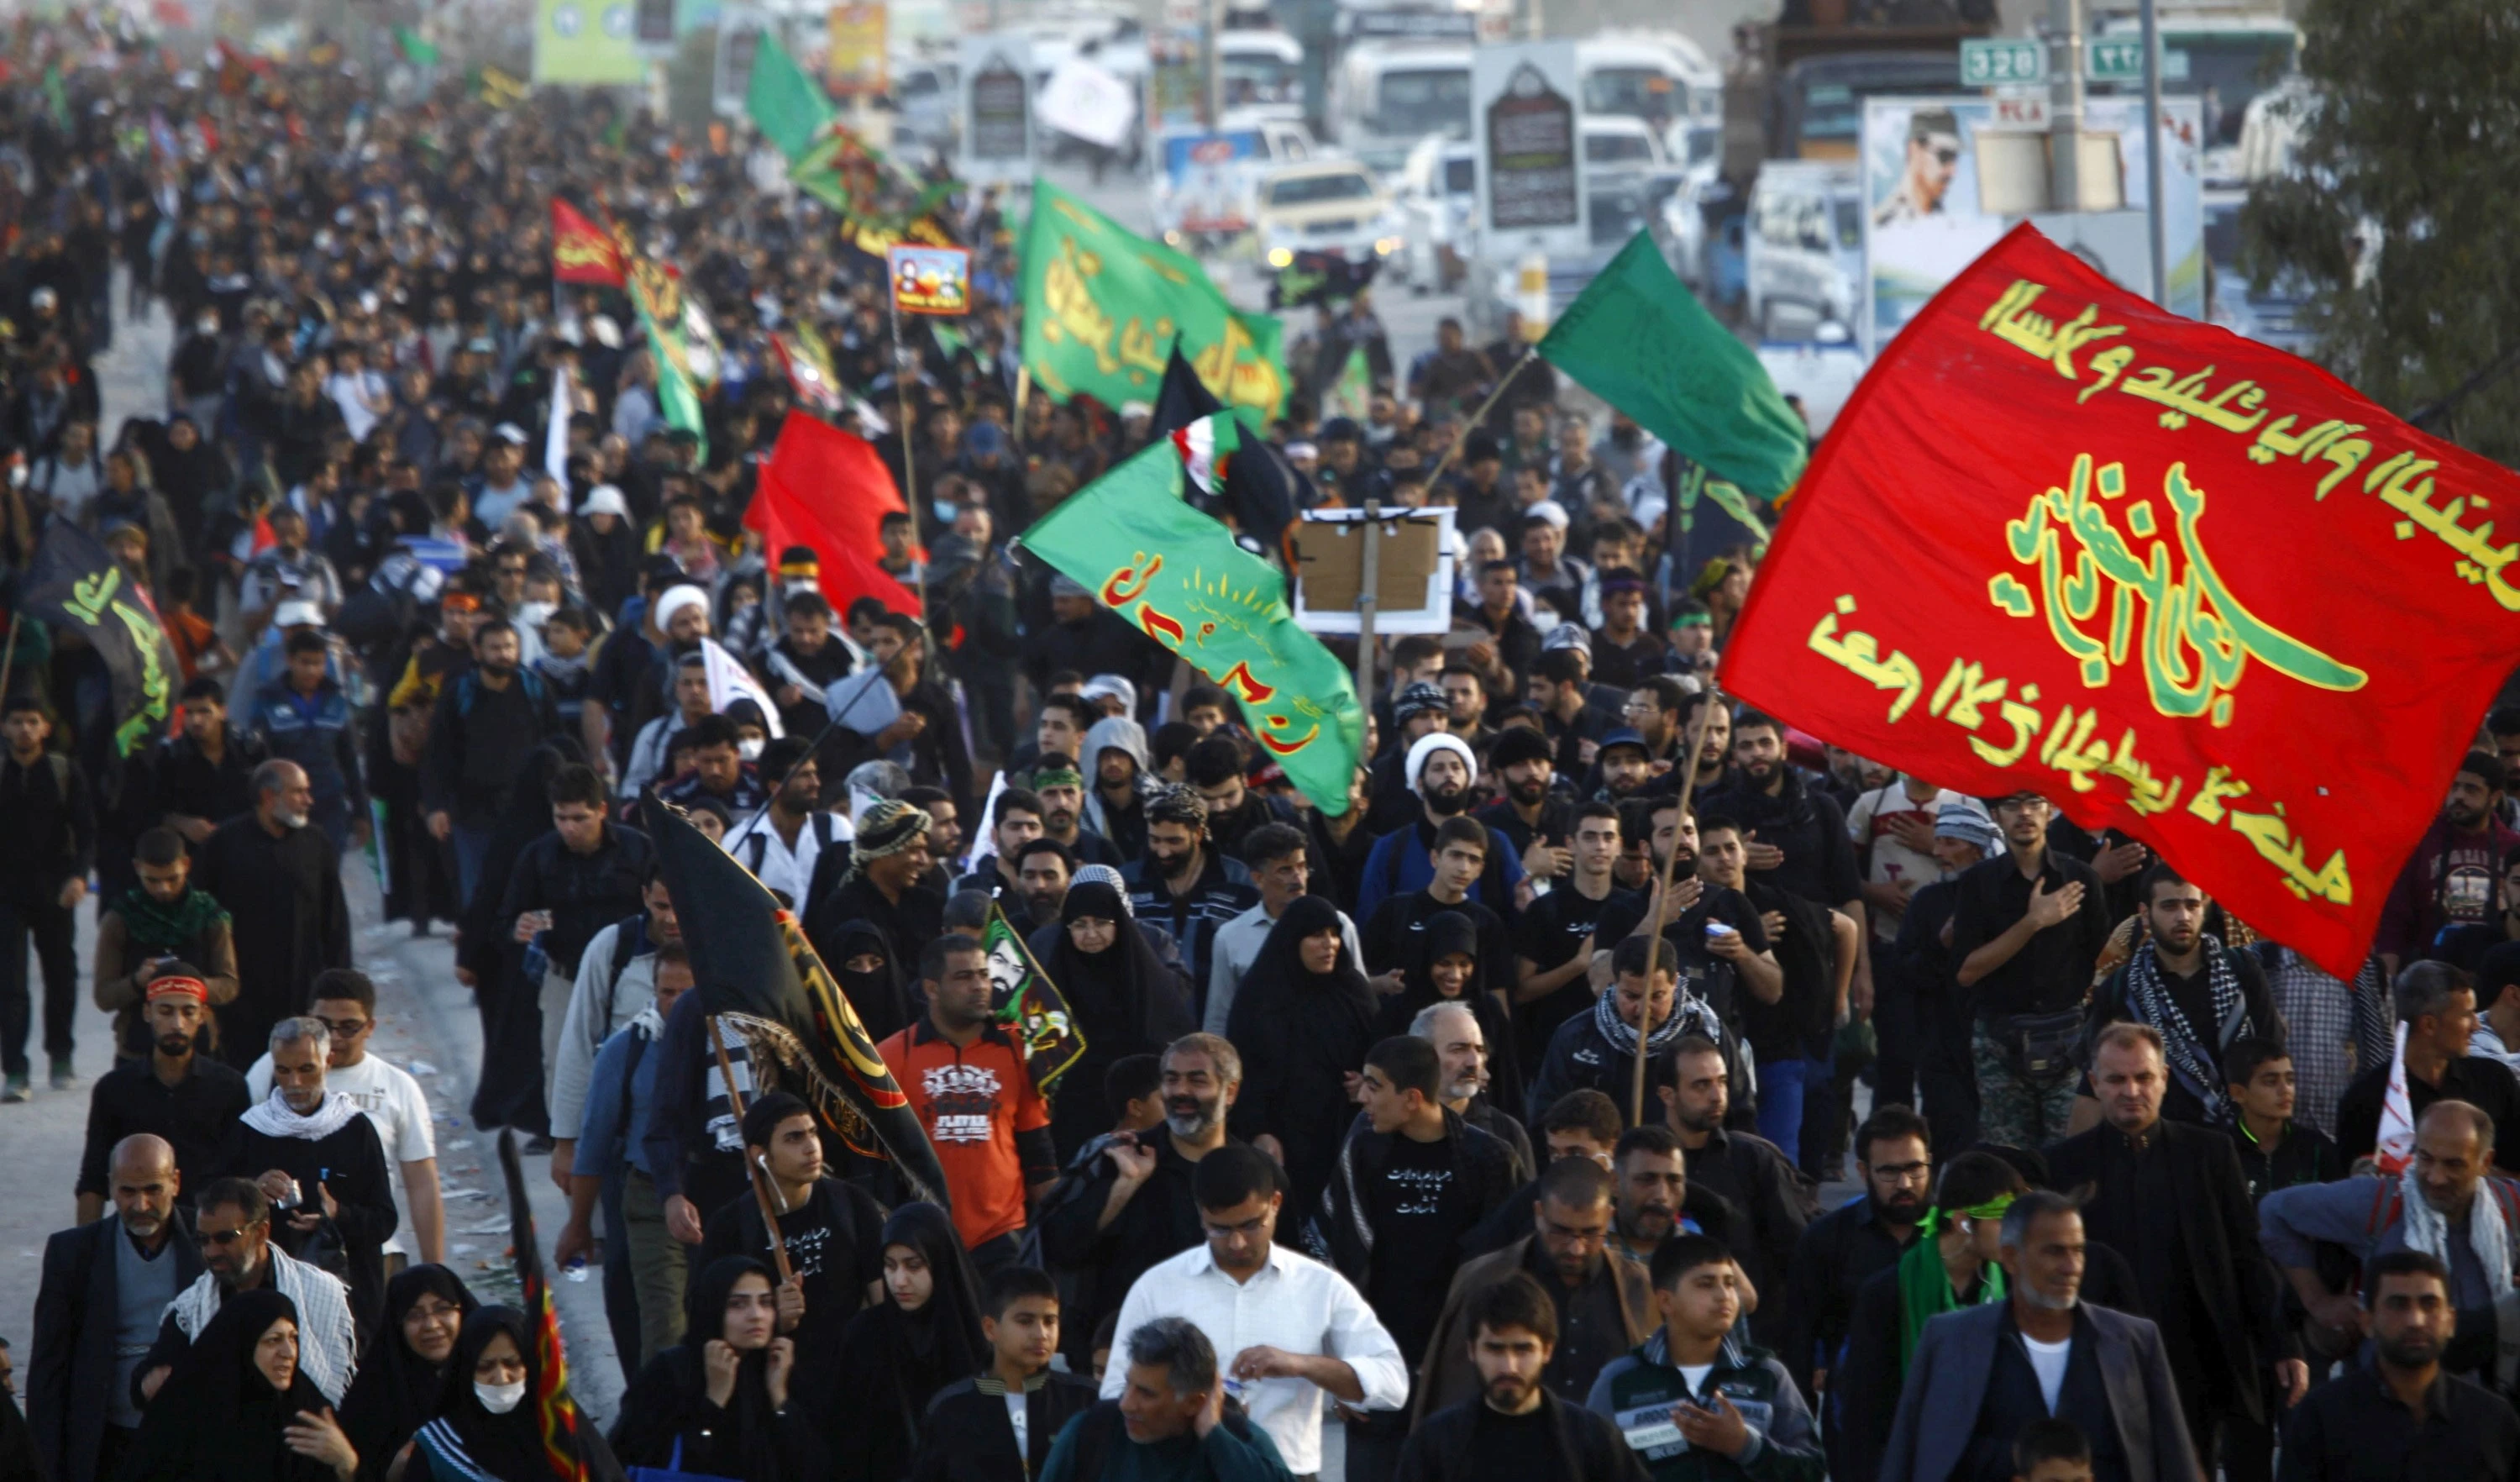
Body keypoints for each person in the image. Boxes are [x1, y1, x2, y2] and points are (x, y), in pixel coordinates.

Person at [2043, 1024, 2302, 1477]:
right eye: (2117, 1080)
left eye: (2143, 1078)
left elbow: (2247, 1255)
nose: (2131, 1091)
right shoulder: (2064, 1166)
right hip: (2101, 1364)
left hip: (2194, 1361)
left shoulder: (2209, 1154)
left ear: (2163, 1079)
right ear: (2095, 1083)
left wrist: (2284, 1344)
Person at [1096, 1143, 1408, 1477]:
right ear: (1200, 1213)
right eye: (1221, 1229)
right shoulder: (1157, 1287)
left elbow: (1392, 1383)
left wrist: (1299, 1364)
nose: (1237, 1243)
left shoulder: (1321, 1287)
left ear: (1275, 1204)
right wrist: (1191, 1414)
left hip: (1285, 1472)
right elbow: (1114, 1394)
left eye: (1250, 1225)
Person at [1308, 1037, 1521, 1482]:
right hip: (1379, 1368)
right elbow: (1336, 1258)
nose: (1362, 1097)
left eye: (1373, 1086)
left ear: (1411, 1099)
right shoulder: (1363, 1150)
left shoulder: (1489, 1158)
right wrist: (1342, 1366)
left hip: (1459, 1370)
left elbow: (1509, 1268)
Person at [1877, 1191, 2198, 1482]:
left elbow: (2174, 1460)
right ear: (2011, 1257)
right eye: (2054, 1252)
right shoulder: (1949, 1341)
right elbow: (1908, 1455)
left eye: (2078, 1251)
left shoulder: (2134, 1343)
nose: (2071, 1266)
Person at [2257, 1101, 2520, 1378]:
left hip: (2484, 1400)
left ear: (2485, 1163)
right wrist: (2317, 1301)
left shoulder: (2509, 1206)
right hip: (2386, 1397)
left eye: (2453, 1165)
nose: (2436, 1177)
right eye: (2426, 1158)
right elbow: (2274, 1211)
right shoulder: (2376, 1203)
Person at [1037, 1034, 1248, 1369]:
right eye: (1171, 1079)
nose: (1181, 1092)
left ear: (1230, 1092)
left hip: (1222, 1359)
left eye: (1197, 1080)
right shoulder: (1121, 1155)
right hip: (1125, 1358)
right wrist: (1124, 1186)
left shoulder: (1253, 1173)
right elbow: (1060, 1246)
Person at [1831, 1153, 2027, 1482]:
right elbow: (1863, 1414)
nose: (2015, 1235)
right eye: (2003, 1220)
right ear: (1964, 1221)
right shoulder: (1888, 1292)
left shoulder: (2011, 1286)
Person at [1416, 1156, 1655, 1421]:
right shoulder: (1483, 1280)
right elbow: (1452, 1393)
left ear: (1609, 1217)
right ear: (1539, 1214)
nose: (1576, 1248)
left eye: (1590, 1233)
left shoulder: (1641, 1290)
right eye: (1561, 1232)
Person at [696, 1090, 888, 1411]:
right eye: (793, 1138)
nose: (811, 1147)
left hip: (850, 1389)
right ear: (760, 1154)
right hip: (767, 1394)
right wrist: (771, 1319)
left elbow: (884, 1301)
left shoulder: (852, 1205)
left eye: (812, 1133)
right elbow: (705, 1320)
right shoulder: (729, 1226)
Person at [33, 1134, 207, 1482]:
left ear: (176, 1182)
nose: (141, 1205)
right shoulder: (73, 1254)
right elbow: (48, 1370)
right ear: (111, 1188)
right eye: (128, 1191)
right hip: (106, 1442)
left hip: (191, 1439)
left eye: (153, 1189)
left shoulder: (208, 1243)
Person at [499, 766, 657, 1148]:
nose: (569, 828)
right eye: (561, 818)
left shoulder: (638, 850)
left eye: (579, 818)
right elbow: (508, 916)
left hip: (630, 975)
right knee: (562, 1062)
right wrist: (519, 928)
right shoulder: (538, 857)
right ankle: (566, 1142)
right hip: (564, 976)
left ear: (602, 810)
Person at [879, 933, 1058, 1267]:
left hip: (1004, 1234)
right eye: (964, 977)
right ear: (932, 988)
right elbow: (878, 1158)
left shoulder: (1019, 1050)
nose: (979, 986)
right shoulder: (891, 1056)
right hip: (925, 1235)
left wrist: (1057, 1230)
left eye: (984, 975)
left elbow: (1039, 1153)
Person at [1584, 1235, 1824, 1482]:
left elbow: (1813, 1471)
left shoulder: (1767, 1374)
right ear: (1666, 1301)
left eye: (1729, 1283)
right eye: (1706, 1284)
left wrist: (1744, 1445)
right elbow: (1589, 1468)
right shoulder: (1620, 1380)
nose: (1724, 1296)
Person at [245, 971, 443, 1269]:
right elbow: (241, 1151)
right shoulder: (268, 1071)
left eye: (349, 1027)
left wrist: (435, 1272)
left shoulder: (396, 1086)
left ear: (370, 1027)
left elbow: (421, 1183)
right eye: (324, 1025)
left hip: (371, 1252)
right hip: (280, 1254)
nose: (334, 1037)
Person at [1949, 792, 2113, 1150]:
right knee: (2007, 1164)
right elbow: (1966, 971)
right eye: (2012, 806)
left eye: (2034, 803)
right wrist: (2033, 922)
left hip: (2068, 1040)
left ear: (2051, 810)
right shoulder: (1979, 882)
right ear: (1996, 815)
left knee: (2070, 1157)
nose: (2024, 814)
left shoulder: (2079, 878)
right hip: (1999, 1042)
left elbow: (2104, 962)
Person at [2274, 1250, 2520, 1481]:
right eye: (2398, 1305)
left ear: (2451, 1322)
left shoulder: (2492, 1421)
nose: (2415, 1320)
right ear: (2367, 1321)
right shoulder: (2321, 1417)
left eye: (2429, 1304)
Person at [228, 1016, 400, 1328]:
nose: (294, 1083)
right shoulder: (253, 1129)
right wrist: (252, 1189)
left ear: (328, 1061)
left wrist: (337, 1215)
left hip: (347, 1304)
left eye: (306, 1069)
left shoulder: (354, 1128)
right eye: (284, 1070)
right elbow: (212, 1202)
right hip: (271, 1299)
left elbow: (384, 1219)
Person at [1398, 1270, 1650, 1482]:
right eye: (1495, 1349)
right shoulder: (1434, 1443)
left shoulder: (1593, 1439)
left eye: (1523, 1349)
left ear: (1547, 1350)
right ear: (1472, 1350)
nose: (1509, 1366)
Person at [2080, 867, 2283, 1127]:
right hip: (2157, 1140)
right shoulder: (2123, 986)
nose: (2183, 917)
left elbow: (2271, 1053)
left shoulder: (2241, 970)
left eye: (2192, 905)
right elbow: (2094, 1078)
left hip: (2241, 1134)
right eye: (2169, 906)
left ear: (2204, 906)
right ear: (2145, 914)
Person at [138, 1177, 359, 1410]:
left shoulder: (322, 1292)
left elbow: (343, 1391)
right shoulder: (191, 1308)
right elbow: (146, 1380)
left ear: (261, 1232)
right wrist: (152, 1383)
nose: (211, 1251)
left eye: (225, 1238)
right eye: (203, 1240)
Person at [1226, 895, 1386, 1216]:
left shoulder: (1353, 989)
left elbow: (1381, 1050)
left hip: (1347, 1130)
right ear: (1293, 940)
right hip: (1285, 1138)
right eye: (1316, 935)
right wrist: (1260, 1130)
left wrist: (1368, 1081)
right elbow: (1245, 1070)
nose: (1330, 944)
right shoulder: (1260, 995)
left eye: (1334, 934)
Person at [611, 1257, 829, 1482]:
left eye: (766, 1302)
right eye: (737, 1304)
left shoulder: (779, 1365)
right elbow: (634, 1462)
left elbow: (809, 1468)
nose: (756, 1315)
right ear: (712, 1307)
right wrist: (714, 1402)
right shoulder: (672, 1373)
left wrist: (780, 1400)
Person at [192, 761, 351, 1070]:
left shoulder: (315, 843)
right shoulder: (224, 844)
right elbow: (199, 917)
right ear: (269, 796)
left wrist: (340, 987)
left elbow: (334, 922)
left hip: (301, 991)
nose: (309, 800)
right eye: (299, 792)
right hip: (241, 997)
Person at [1029, 880, 1198, 1162]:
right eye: (1080, 925)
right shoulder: (1056, 974)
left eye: (1101, 923)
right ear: (1067, 928)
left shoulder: (1144, 976)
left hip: (1139, 1105)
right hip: (1075, 1107)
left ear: (1118, 924)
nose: (1091, 934)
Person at [118, 1288, 360, 1482]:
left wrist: (346, 1464)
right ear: (242, 1348)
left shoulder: (308, 1417)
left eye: (293, 1339)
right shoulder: (188, 1421)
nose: (288, 1353)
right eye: (273, 1340)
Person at [1777, 1104, 1931, 1406]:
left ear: (1929, 1162)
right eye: (1889, 1172)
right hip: (1855, 1412)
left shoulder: (1951, 1235)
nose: (1905, 1184)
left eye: (1915, 1169)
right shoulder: (1827, 1239)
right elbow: (1799, 1340)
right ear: (1863, 1172)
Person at [829, 1206, 990, 1482]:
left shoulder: (976, 1332)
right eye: (889, 1266)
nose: (899, 1281)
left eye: (914, 1265)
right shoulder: (865, 1336)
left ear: (940, 1261)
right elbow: (847, 1439)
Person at [76, 967, 249, 1217]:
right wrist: (86, 1250)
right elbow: (93, 1180)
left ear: (202, 1015)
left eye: (188, 1011)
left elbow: (242, 1177)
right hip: (138, 1222)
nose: (177, 1024)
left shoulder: (230, 1088)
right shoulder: (114, 1089)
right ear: (148, 1012)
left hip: (206, 1232)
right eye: (165, 1011)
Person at [1039, 1316, 1298, 1482]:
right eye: (1128, 1385)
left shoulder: (1238, 1439)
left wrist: (1212, 1433)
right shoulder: (1091, 1432)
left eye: (1146, 1393)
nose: (1126, 1404)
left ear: (1194, 1403)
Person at [911, 1265, 1100, 1482]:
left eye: (1050, 1321)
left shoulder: (1084, 1400)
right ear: (990, 1328)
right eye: (1025, 1321)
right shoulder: (951, 1409)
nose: (1041, 1334)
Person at [549, 870, 680, 1182]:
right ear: (646, 896)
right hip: (620, 1134)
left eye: (682, 907)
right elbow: (578, 1043)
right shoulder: (613, 946)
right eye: (662, 907)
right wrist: (565, 1143)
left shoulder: (718, 952)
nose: (672, 919)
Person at [423, 618, 564, 906]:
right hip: (473, 813)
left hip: (529, 809)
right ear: (478, 652)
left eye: (509, 647)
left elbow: (556, 745)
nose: (503, 654)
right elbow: (438, 753)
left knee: (530, 893)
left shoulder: (535, 689)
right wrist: (436, 806)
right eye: (495, 648)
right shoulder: (459, 694)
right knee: (480, 895)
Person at [408, 1305, 625, 1482]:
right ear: (465, 1372)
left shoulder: (561, 1431)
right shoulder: (440, 1445)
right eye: (485, 1367)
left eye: (512, 1364)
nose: (501, 1377)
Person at [2335, 962, 2520, 1170]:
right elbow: (2355, 1189)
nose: (2476, 1025)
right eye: (2467, 1015)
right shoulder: (2365, 1101)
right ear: (2429, 1025)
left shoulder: (2495, 1081)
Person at [0, 695, 95, 1099]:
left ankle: (61, 1055)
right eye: (16, 721)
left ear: (45, 729)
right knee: (11, 983)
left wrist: (79, 878)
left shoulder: (63, 771)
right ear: (5, 727)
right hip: (6, 893)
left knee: (60, 977)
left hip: (57, 892)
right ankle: (15, 1070)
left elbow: (87, 831)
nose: (24, 729)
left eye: (31, 721)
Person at [92, 828, 240, 1062]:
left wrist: (188, 983)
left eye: (172, 879)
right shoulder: (121, 918)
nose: (163, 889)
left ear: (186, 865)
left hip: (199, 1047)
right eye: (152, 880)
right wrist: (137, 981)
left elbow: (229, 984)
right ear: (137, 867)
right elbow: (104, 996)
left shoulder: (208, 914)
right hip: (137, 1049)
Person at [1512, 801, 1637, 1074]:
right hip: (1555, 1053)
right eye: (1590, 837)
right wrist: (1578, 965)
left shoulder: (1633, 909)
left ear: (1619, 845)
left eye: (1608, 837)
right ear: (1571, 843)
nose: (1600, 846)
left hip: (1621, 1050)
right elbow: (1521, 991)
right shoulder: (1545, 909)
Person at [1204, 824, 1362, 1036]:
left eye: (1302, 867)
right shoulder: (1230, 937)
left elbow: (1360, 999)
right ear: (1258, 878)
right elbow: (1219, 1016)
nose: (1298, 879)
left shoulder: (1338, 926)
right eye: (1285, 870)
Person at [801, 799, 941, 1041]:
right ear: (884, 852)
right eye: (913, 850)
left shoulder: (929, 903)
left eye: (924, 849)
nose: (922, 860)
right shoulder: (842, 907)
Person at [2379, 750, 2520, 976]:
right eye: (2454, 787)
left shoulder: (2513, 848)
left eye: (2471, 789)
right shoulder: (2419, 842)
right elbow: (2395, 920)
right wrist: (2387, 985)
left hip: (2496, 976)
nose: (2458, 796)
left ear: (2494, 797)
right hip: (2429, 975)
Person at [1357, 735, 1527, 920]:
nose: (1449, 774)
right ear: (1420, 783)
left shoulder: (1496, 844)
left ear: (1468, 779)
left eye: (1456, 767)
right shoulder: (1390, 848)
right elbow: (1369, 922)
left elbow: (1520, 915)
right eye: (1438, 768)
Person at [336, 1265, 476, 1482]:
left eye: (442, 1309)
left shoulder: (490, 1374)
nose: (431, 1325)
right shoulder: (374, 1396)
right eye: (414, 1315)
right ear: (397, 1325)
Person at [1122, 786, 1259, 996]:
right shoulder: (1129, 881)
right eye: (1155, 840)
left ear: (1198, 834)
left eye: (1174, 841)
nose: (1163, 851)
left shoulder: (1236, 879)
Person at [239, 628, 367, 854]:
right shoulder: (267, 700)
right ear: (290, 660)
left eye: (317, 663)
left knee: (327, 875)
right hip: (284, 806)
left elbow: (349, 760)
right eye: (304, 662)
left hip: (330, 806)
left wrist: (361, 812)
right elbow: (255, 759)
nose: (311, 670)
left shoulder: (336, 701)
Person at [1414, 1001, 1535, 1175]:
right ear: (1421, 1055)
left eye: (1479, 1050)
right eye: (1458, 1050)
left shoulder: (1506, 1132)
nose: (1473, 1062)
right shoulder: (1386, 1125)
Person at [2220, 1038, 2342, 1201]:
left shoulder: (2317, 1149)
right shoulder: (2221, 1150)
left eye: (2290, 1080)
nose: (2285, 1090)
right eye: (2271, 1082)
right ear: (2238, 1093)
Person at [723, 741, 837, 905]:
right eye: (804, 776)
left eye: (814, 774)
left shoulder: (836, 829)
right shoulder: (740, 842)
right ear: (775, 787)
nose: (815, 783)